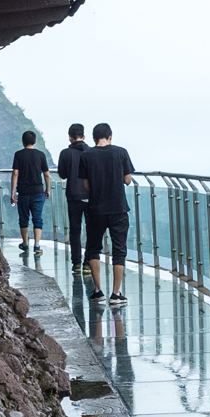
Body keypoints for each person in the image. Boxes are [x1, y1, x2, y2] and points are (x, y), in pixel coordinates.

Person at [78, 122, 135, 305]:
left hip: (96, 208)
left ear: (94, 139)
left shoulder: (86, 155)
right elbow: (127, 180)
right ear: (110, 136)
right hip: (118, 208)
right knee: (119, 250)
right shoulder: (121, 152)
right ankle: (116, 293)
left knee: (94, 248)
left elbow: (86, 185)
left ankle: (97, 290)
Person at [9, 130, 51, 255]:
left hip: (23, 192)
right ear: (35, 141)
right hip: (38, 191)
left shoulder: (18, 155)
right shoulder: (41, 155)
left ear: (23, 142)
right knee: (37, 218)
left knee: (24, 218)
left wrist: (12, 193)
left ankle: (25, 243)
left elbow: (15, 173)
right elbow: (47, 174)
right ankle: (37, 245)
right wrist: (47, 189)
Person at [56, 122, 91, 262]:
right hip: (91, 196)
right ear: (84, 136)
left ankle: (76, 262)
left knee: (75, 230)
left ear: (69, 137)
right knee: (91, 230)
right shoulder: (91, 152)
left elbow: (62, 174)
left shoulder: (65, 153)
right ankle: (88, 262)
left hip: (73, 195)